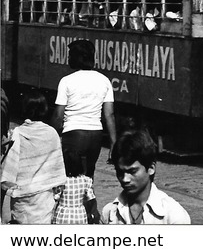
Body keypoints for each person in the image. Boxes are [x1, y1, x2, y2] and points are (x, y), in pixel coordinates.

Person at [53, 38, 117, 178]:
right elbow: (109, 115)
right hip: (95, 136)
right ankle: (89, 199)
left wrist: (52, 138)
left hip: (73, 135)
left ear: (77, 58)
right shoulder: (104, 80)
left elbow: (58, 116)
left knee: (71, 178)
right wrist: (113, 143)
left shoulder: (66, 81)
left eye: (70, 55)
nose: (68, 58)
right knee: (88, 178)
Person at [0, 91, 66, 225]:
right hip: (44, 196)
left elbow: (10, 165)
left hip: (22, 197)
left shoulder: (18, 133)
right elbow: (56, 164)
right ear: (45, 110)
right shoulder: (52, 133)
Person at [101, 129, 190, 225]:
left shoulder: (174, 216)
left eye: (132, 171)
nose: (125, 179)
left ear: (151, 168)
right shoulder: (110, 212)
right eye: (120, 172)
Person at [52, 151, 99, 225]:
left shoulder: (62, 181)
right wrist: (90, 212)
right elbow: (91, 198)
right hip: (79, 214)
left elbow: (55, 197)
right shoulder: (85, 180)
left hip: (63, 214)